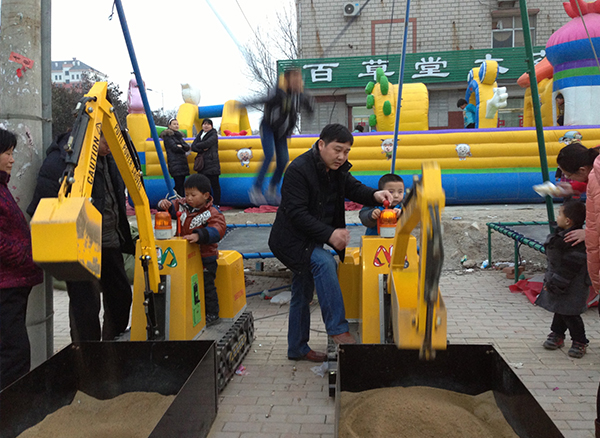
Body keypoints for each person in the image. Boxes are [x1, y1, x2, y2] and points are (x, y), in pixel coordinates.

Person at [268, 124, 393, 362]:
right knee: (325, 262)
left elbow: (353, 187)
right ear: (321, 144)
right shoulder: (298, 170)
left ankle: (297, 348)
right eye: (337, 150)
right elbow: (296, 213)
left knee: (302, 291)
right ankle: (337, 329)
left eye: (346, 152)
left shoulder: (336, 169)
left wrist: (375, 195)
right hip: (290, 240)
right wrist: (330, 234)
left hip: (311, 238)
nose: (341, 156)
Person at [27, 133, 135, 342]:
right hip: (80, 244)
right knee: (85, 306)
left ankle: (113, 344)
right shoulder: (61, 161)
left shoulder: (109, 158)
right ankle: (86, 353)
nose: (110, 146)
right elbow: (43, 203)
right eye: (105, 141)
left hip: (109, 240)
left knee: (121, 295)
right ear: (92, 135)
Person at [0, 128, 43, 390]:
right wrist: (27, 255)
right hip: (6, 285)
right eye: (7, 153)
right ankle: (10, 408)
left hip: (12, 283)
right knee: (13, 353)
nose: (12, 159)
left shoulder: (2, 187)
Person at [158, 173, 226, 326]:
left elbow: (218, 229)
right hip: (185, 255)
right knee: (186, 284)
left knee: (206, 286)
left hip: (205, 257)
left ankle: (213, 313)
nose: (188, 198)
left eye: (193, 195)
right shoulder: (182, 205)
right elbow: (170, 208)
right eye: (186, 194)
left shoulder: (212, 212)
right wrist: (163, 204)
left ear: (205, 195)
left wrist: (199, 235)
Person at [247, 68, 315, 206]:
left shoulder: (300, 96)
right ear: (287, 81)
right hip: (268, 127)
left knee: (283, 160)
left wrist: (310, 104)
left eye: (299, 80)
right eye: (294, 80)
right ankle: (256, 188)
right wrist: (245, 104)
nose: (297, 83)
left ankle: (272, 188)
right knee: (269, 155)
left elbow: (309, 109)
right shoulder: (278, 94)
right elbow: (261, 100)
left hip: (282, 132)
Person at [535, 200, 589, 358]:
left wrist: (556, 283)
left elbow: (570, 266)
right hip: (558, 280)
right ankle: (557, 334)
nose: (557, 217)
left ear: (568, 221)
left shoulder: (575, 241)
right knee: (561, 308)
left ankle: (579, 341)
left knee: (570, 313)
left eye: (559, 214)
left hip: (572, 283)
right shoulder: (560, 236)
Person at [556, 142, 599, 246]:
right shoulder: (594, 171)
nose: (569, 178)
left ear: (582, 170)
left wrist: (589, 234)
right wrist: (573, 188)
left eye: (569, 175)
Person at [191, 118, 221, 205]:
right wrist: (201, 148)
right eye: (204, 124)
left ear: (211, 126)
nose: (206, 126)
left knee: (215, 185)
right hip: (202, 165)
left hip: (212, 163)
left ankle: (216, 203)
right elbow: (193, 146)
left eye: (208, 124)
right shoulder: (200, 134)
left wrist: (198, 146)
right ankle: (207, 203)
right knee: (204, 186)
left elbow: (207, 143)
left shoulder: (214, 134)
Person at [161, 118, 191, 197]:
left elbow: (187, 147)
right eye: (174, 124)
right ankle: (175, 198)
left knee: (182, 184)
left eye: (177, 124)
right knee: (178, 184)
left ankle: (180, 199)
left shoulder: (179, 136)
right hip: (175, 164)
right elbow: (174, 148)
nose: (176, 126)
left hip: (182, 163)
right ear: (169, 126)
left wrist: (181, 147)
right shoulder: (167, 136)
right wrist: (182, 148)